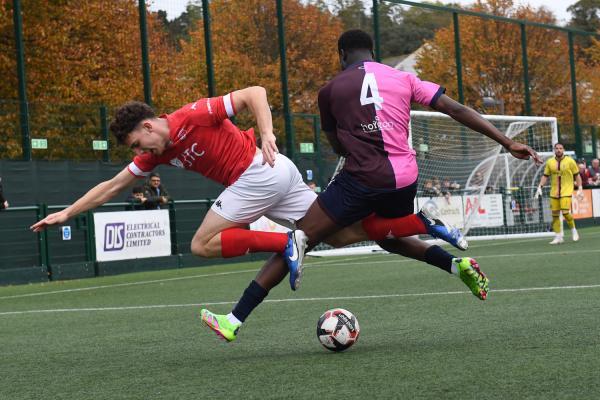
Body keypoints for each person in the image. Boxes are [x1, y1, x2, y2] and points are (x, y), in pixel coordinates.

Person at [200, 29, 541, 342]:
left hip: (361, 179)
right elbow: (455, 109)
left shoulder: (330, 91)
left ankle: (234, 319)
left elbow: (337, 147)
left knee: (299, 237)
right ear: (372, 51)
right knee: (388, 237)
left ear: (341, 54)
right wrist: (506, 142)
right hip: (405, 179)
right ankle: (454, 262)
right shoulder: (404, 78)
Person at [29, 86, 436, 282]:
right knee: (341, 236)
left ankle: (288, 243)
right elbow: (112, 185)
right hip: (276, 176)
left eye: (138, 142)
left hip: (257, 171)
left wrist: (267, 133)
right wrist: (65, 213)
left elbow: (255, 93)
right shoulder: (158, 151)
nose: (140, 152)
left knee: (201, 244)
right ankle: (421, 223)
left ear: (149, 126)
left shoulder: (191, 115)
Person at [535, 143, 582, 244]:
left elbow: (577, 175)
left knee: (565, 212)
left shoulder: (570, 161)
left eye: (560, 148)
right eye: (556, 148)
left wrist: (580, 188)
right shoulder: (550, 162)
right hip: (554, 192)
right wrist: (539, 187)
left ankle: (574, 231)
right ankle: (558, 237)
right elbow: (545, 176)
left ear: (563, 149)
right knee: (555, 215)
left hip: (566, 191)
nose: (558, 150)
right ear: (554, 150)